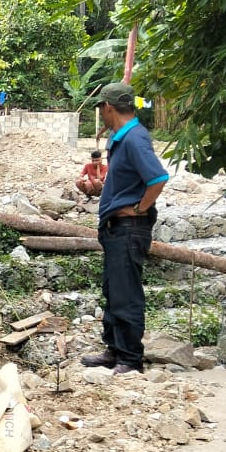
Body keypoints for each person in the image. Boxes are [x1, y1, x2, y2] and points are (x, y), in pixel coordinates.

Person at [79, 83, 169, 375]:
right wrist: (99, 190)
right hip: (117, 226)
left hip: (129, 227)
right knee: (114, 289)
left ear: (108, 107)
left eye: (101, 109)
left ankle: (130, 358)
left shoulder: (134, 139)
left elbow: (157, 177)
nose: (101, 114)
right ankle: (115, 349)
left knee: (126, 292)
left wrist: (141, 208)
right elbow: (129, 182)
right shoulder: (122, 138)